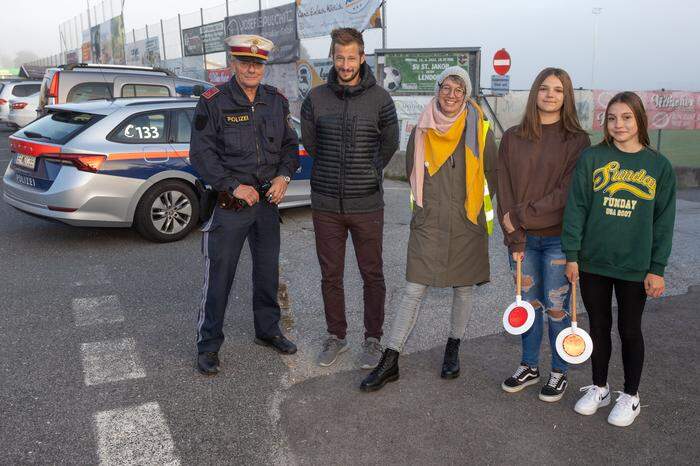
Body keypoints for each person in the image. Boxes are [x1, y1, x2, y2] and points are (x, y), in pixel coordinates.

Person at [360, 66, 498, 392]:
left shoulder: (480, 128)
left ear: (467, 96)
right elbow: (412, 173)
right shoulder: (421, 128)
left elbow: (491, 173)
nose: (451, 95)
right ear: (437, 90)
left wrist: (477, 213)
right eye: (446, 88)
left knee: (463, 289)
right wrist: (423, 211)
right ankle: (390, 359)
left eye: (459, 90)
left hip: (467, 222)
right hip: (429, 222)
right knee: (412, 290)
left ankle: (453, 348)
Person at [562, 91, 676, 427]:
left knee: (629, 329)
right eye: (612, 118)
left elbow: (664, 222)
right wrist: (572, 255)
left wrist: (657, 269)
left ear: (639, 119)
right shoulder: (592, 158)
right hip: (594, 261)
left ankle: (631, 395)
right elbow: (577, 208)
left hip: (634, 266)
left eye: (626, 117)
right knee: (598, 326)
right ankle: (600, 388)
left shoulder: (658, 166)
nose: (618, 124)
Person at [190, 34, 300, 376]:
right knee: (219, 278)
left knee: (267, 273)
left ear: (264, 67)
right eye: (245, 62)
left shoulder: (275, 101)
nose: (251, 69)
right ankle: (208, 346)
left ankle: (268, 330)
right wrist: (233, 186)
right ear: (233, 64)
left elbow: (289, 146)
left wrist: (283, 176)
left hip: (268, 204)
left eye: (257, 63)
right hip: (230, 206)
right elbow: (201, 154)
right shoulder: (213, 102)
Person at [300, 28, 399, 369]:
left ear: (361, 58)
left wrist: (369, 172)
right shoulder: (315, 99)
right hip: (326, 205)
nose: (345, 64)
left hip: (367, 204)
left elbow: (389, 145)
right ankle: (336, 336)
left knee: (372, 274)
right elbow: (311, 144)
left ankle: (373, 339)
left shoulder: (381, 100)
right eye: (339, 58)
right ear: (333, 58)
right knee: (331, 275)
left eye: (351, 58)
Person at [497, 68, 590, 402]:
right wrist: (514, 235)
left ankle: (560, 371)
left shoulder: (576, 140)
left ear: (566, 98)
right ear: (535, 92)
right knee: (529, 305)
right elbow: (503, 188)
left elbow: (566, 194)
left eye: (559, 90)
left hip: (558, 240)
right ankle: (529, 366)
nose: (551, 95)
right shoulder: (512, 137)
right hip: (521, 239)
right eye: (545, 88)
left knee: (555, 307)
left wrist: (519, 216)